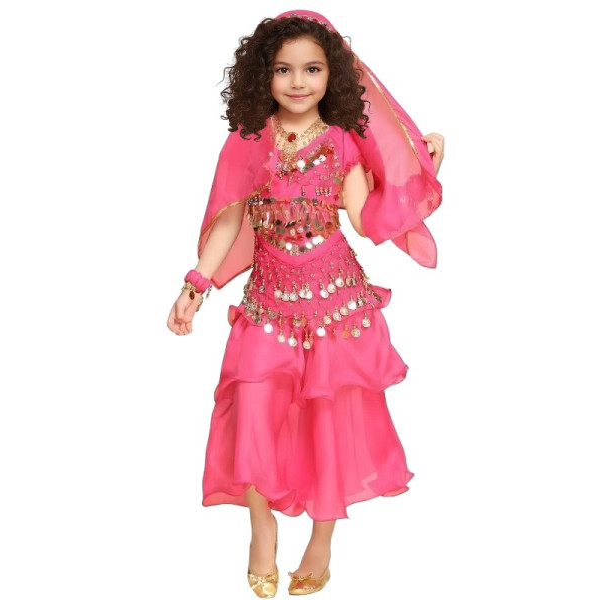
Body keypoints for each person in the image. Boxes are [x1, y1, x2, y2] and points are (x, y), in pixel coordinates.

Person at [167, 9, 445, 597]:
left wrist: (422, 169)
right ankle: (261, 529)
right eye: (283, 69)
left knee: (330, 421)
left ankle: (322, 541)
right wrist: (195, 285)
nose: (298, 82)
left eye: (312, 69)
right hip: (267, 305)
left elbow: (366, 221)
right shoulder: (247, 142)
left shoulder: (342, 141)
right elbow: (228, 221)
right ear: (261, 76)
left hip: (337, 308)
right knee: (253, 414)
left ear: (332, 75)